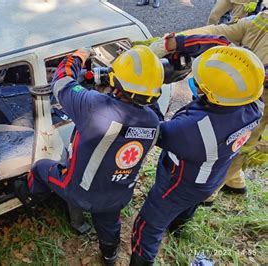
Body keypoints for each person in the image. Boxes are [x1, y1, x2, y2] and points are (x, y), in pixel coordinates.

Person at [16, 45, 164, 265]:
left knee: (40, 167)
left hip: (78, 190)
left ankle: (33, 200)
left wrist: (78, 56)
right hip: (117, 194)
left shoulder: (94, 106)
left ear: (116, 81)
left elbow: (62, 81)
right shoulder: (154, 122)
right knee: (109, 224)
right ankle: (109, 255)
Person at [129, 35, 264, 265]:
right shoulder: (251, 105)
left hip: (178, 184)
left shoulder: (193, 130)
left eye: (199, 83)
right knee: (187, 206)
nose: (196, 83)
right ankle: (178, 226)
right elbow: (226, 48)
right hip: (211, 177)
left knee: (149, 224)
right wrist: (180, 43)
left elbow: (154, 131)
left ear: (211, 96)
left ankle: (141, 259)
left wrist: (151, 91)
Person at [182, 10, 268, 203]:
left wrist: (265, 143)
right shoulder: (262, 19)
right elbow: (218, 30)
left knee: (241, 146)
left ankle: (207, 193)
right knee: (226, 143)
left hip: (260, 109)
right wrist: (178, 39)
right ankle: (234, 181)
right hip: (236, 97)